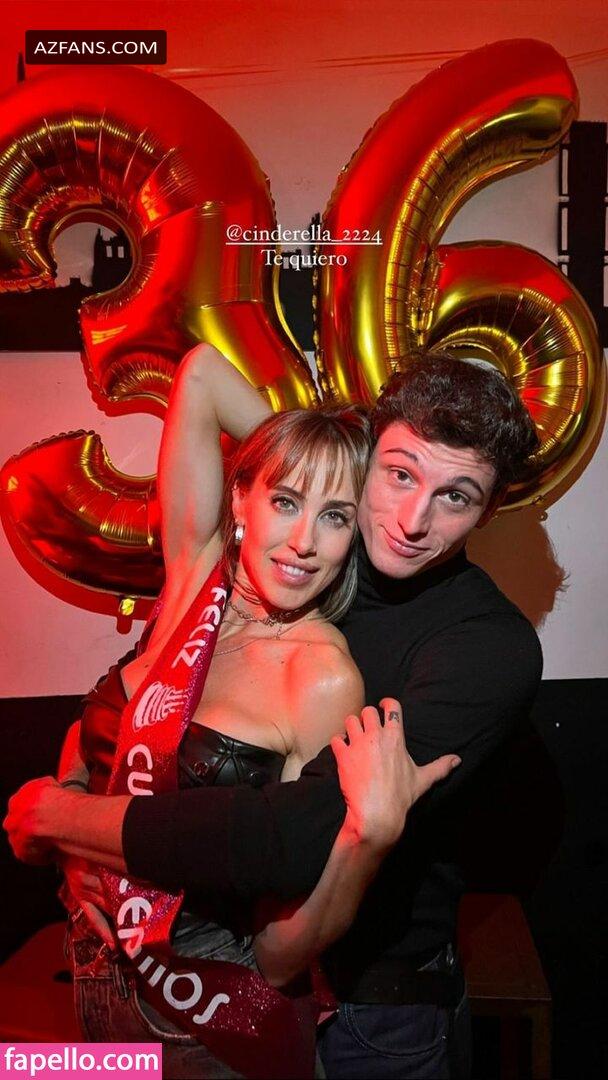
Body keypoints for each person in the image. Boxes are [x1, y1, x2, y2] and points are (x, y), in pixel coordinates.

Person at [6, 351, 543, 1079]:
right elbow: (128, 722)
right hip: (137, 970)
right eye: (399, 475)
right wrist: (83, 843)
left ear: (491, 508)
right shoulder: (279, 571)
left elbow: (287, 836)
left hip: (369, 1012)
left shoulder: (483, 646)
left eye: (457, 496)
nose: (414, 520)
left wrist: (65, 822)